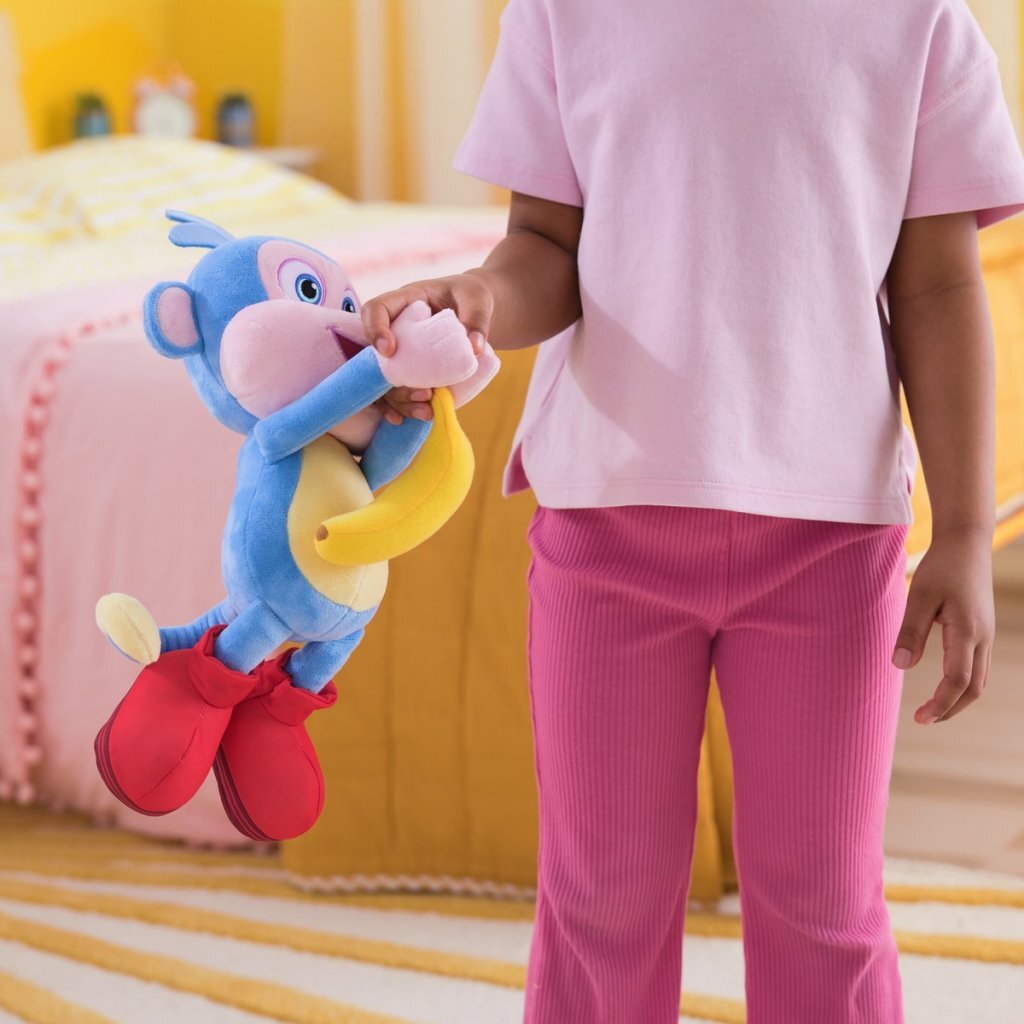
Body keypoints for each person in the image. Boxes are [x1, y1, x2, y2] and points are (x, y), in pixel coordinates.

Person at [360, 1, 1024, 1020]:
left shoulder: (920, 19)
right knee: (599, 903)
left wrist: (968, 533)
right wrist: (483, 296)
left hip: (832, 540)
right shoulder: (559, 12)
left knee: (825, 904)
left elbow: (936, 286)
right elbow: (543, 247)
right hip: (605, 530)